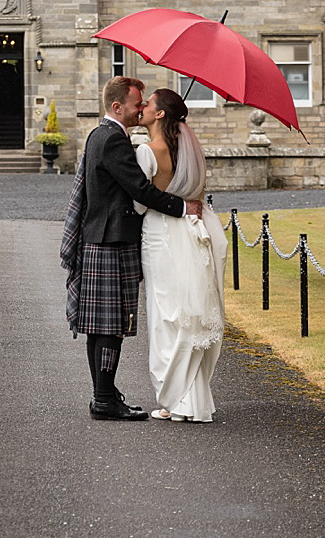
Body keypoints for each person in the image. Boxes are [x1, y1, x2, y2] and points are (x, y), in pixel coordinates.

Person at [59, 75, 195, 420]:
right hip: (112, 239)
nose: (140, 109)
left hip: (101, 237)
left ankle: (102, 395)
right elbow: (139, 189)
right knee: (111, 325)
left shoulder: (99, 135)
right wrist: (182, 207)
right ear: (117, 106)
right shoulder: (114, 141)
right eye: (137, 104)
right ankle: (104, 400)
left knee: (101, 326)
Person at [133, 86, 227, 422]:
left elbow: (140, 203)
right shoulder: (189, 152)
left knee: (164, 316)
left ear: (160, 114)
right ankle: (192, 401)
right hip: (189, 232)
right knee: (186, 312)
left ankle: (175, 399)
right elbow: (197, 196)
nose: (141, 107)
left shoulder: (148, 151)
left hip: (160, 234)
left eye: (148, 104)